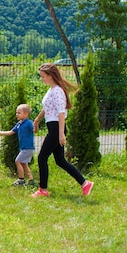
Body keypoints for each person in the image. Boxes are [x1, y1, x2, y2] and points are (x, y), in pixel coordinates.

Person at [32, 63, 94, 197]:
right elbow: (47, 108)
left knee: (42, 157)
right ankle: (85, 184)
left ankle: (43, 190)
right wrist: (37, 120)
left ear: (50, 76)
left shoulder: (57, 91)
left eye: (43, 76)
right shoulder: (51, 90)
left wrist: (61, 134)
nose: (41, 79)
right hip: (54, 127)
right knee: (60, 161)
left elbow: (61, 113)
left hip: (56, 129)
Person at [0, 104, 36, 187]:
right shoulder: (19, 124)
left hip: (28, 147)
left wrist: (35, 127)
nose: (17, 114)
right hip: (23, 148)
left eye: (19, 113)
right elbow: (11, 132)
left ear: (26, 114)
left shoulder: (29, 123)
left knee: (18, 161)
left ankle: (21, 180)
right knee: (24, 163)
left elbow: (34, 129)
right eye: (16, 112)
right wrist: (0, 132)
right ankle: (31, 180)